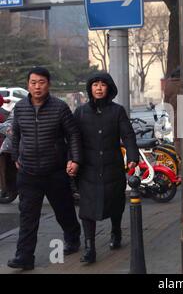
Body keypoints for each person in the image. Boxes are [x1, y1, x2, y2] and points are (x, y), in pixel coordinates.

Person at [8, 67, 82, 270]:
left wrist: (74, 159)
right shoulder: (21, 108)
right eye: (33, 82)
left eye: (41, 82)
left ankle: (72, 236)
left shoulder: (60, 107)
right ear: (28, 85)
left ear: (48, 84)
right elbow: (16, 134)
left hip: (55, 171)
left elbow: (73, 135)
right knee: (27, 216)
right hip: (28, 172)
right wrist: (16, 155)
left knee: (64, 210)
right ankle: (24, 256)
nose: (37, 86)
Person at [73, 73, 139, 264]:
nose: (99, 88)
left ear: (109, 88)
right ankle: (89, 248)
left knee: (115, 203)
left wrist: (132, 158)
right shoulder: (81, 112)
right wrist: (72, 161)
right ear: (90, 88)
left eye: (103, 84)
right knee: (87, 208)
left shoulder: (117, 111)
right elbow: (73, 140)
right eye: (95, 84)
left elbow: (128, 136)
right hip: (88, 168)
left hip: (112, 166)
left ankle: (116, 231)